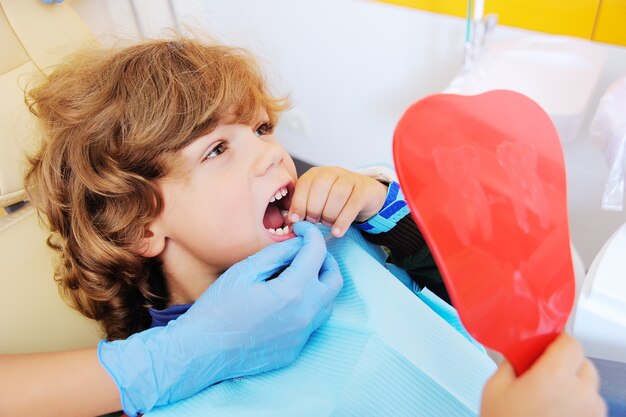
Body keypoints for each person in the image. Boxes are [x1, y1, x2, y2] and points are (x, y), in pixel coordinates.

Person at [0, 37, 605, 417]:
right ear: (139, 228)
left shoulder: (335, 241)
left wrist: (380, 209)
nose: (272, 155)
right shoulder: (179, 396)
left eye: (262, 129)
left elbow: (459, 291)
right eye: (216, 150)